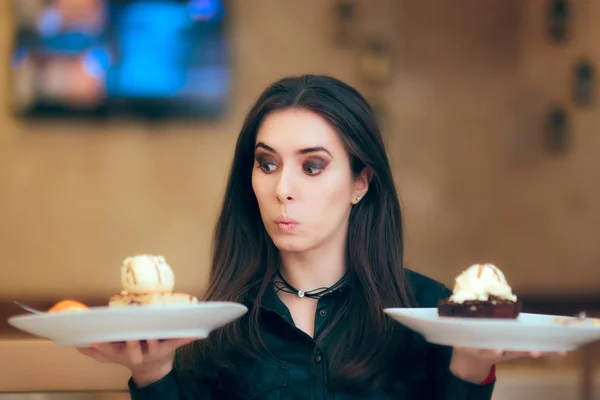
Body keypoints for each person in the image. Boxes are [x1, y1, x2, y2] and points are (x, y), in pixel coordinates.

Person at [78, 75, 554, 399]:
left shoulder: (433, 314)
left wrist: (472, 367)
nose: (283, 189)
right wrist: (152, 373)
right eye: (267, 164)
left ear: (360, 183)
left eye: (312, 166)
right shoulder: (212, 327)